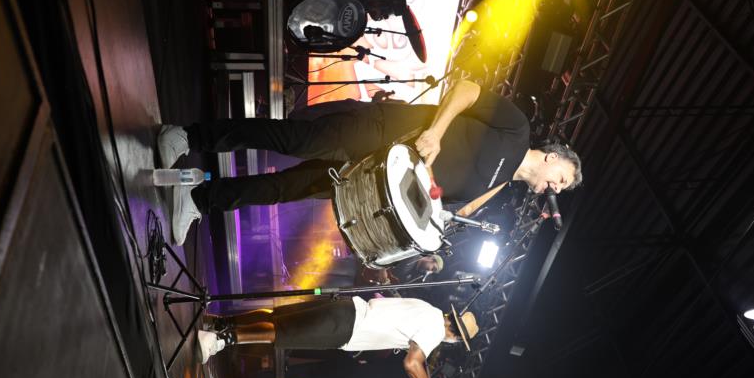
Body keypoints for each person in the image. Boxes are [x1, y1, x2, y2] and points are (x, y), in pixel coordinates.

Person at [160, 79, 583, 244]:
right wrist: (437, 131)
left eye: (560, 189)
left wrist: (435, 226)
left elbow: (441, 203)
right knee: (292, 140)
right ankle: (189, 136)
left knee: (286, 189)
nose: (554, 189)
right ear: (552, 157)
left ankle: (200, 200)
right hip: (382, 132)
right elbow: (467, 89)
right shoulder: (517, 129)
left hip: (372, 179)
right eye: (560, 179)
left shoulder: (499, 189)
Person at [197, 296, 478, 378]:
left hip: (347, 309)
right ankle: (221, 339)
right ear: (455, 335)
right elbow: (412, 363)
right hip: (347, 328)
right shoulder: (434, 331)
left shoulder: (428, 309)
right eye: (456, 340)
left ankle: (220, 325)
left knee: (280, 319)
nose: (452, 342)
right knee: (283, 333)